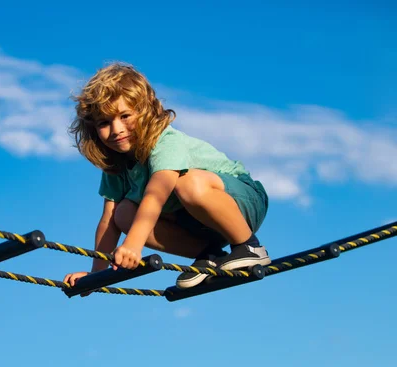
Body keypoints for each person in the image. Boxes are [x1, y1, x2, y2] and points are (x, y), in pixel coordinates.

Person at [63, 62, 270, 294]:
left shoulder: (164, 142)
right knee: (122, 213)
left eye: (125, 115)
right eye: (104, 122)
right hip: (199, 225)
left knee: (187, 183)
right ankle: (209, 256)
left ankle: (249, 247)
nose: (116, 129)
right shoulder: (117, 164)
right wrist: (96, 274)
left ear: (145, 111)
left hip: (241, 203)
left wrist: (132, 244)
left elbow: (156, 195)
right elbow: (108, 222)